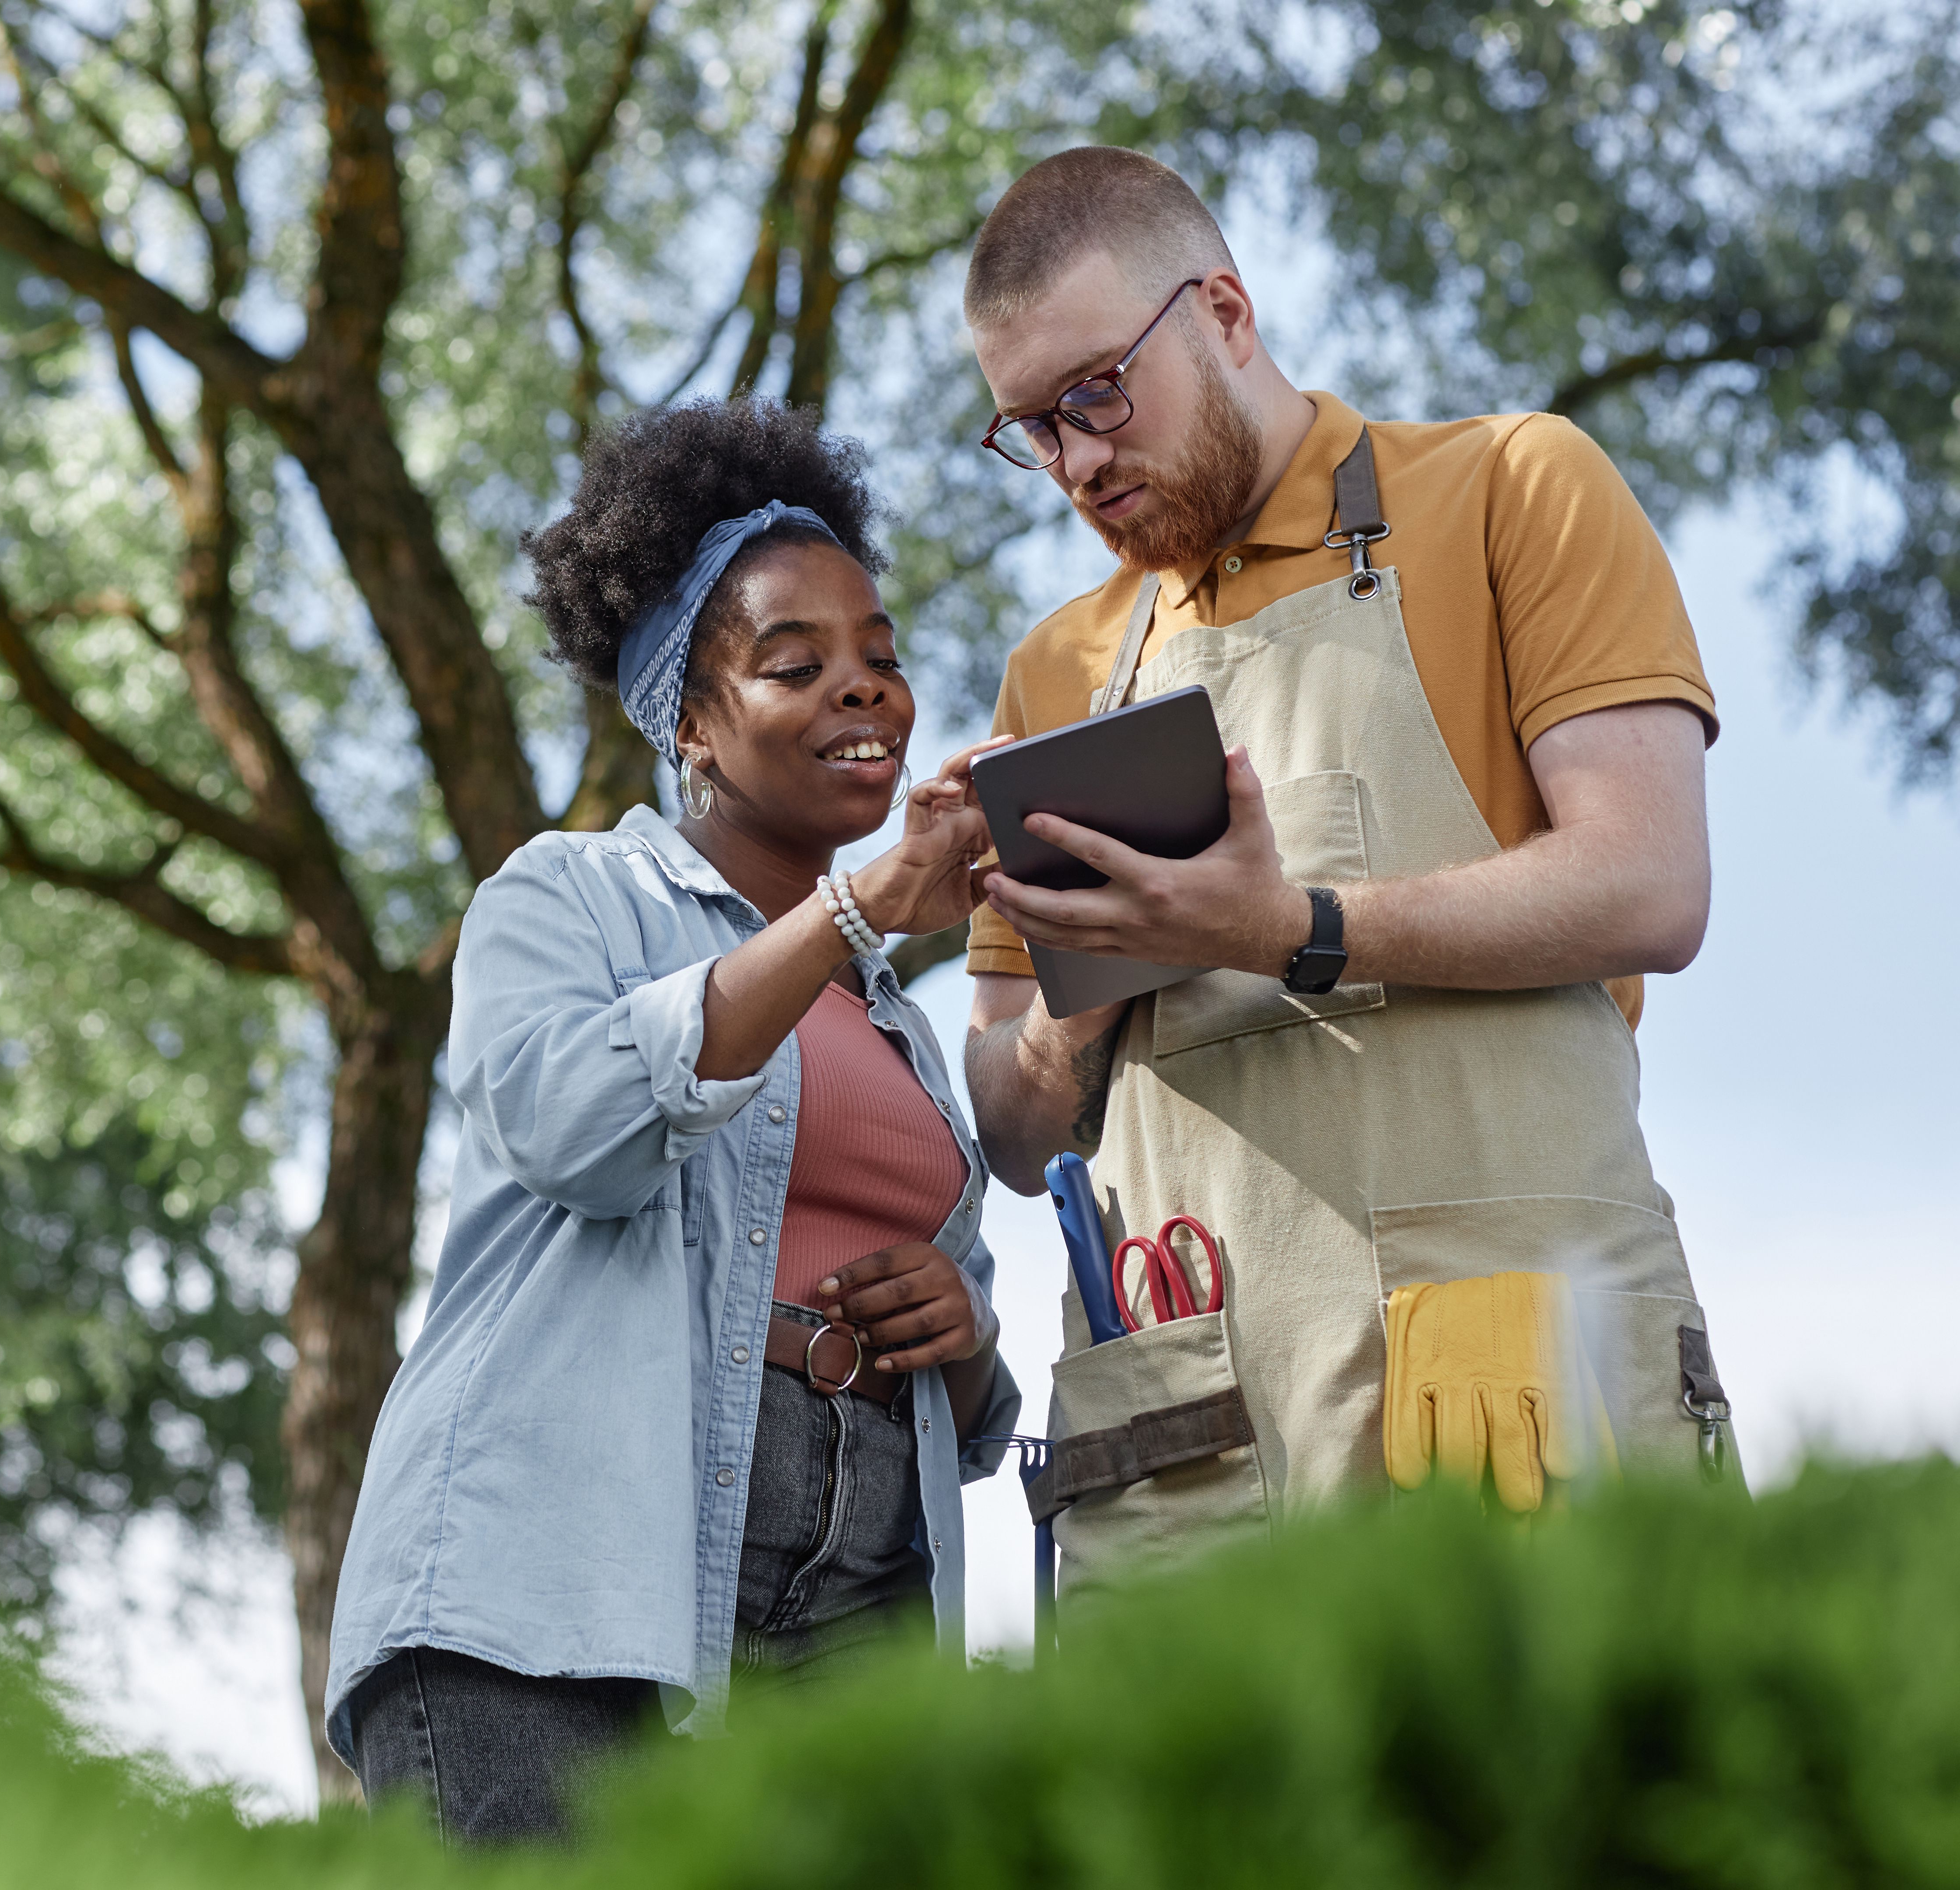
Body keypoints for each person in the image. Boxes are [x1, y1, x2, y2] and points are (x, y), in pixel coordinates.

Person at [955, 148, 1741, 1589]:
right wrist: (1091, 990)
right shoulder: (1057, 671)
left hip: (1515, 1398)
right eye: (1031, 431)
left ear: (1226, 312)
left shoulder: (1514, 487)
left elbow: (1648, 882)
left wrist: (1284, 924)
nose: (1076, 463)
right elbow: (1011, 1135)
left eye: (1096, 396)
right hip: (1187, 1465)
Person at [321, 399, 1024, 1844]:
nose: (867, 693)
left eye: (881, 661)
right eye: (798, 664)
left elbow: (969, 1390)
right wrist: (861, 904)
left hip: (858, 1610)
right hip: (561, 1603)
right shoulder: (563, 900)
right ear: (689, 721)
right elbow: (577, 1123)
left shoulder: (896, 1020)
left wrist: (967, 1330)